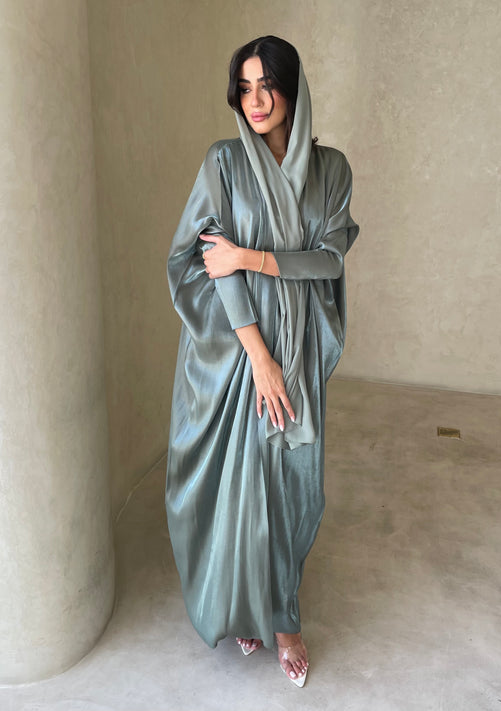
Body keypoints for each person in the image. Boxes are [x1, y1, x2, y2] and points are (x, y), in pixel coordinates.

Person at [166, 35, 359, 687]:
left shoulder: (331, 169)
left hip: (299, 346)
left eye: (266, 84)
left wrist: (250, 256)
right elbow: (207, 260)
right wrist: (259, 358)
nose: (255, 100)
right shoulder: (223, 161)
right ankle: (266, 615)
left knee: (294, 489)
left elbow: (327, 259)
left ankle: (278, 606)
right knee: (239, 490)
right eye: (244, 88)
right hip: (235, 351)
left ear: (292, 87)